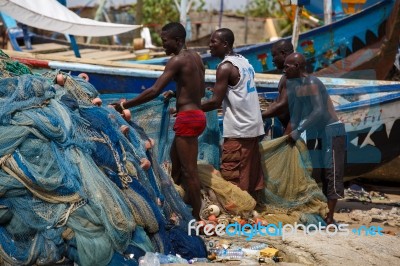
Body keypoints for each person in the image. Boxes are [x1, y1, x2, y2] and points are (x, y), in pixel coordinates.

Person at [112, 22, 206, 220]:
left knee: (190, 172)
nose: (163, 45)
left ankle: (197, 219)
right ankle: (177, 205)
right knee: (176, 167)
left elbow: (153, 91)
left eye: (165, 41)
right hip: (196, 115)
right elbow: (201, 90)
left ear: (178, 41)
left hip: (187, 119)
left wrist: (124, 105)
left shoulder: (176, 61)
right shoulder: (196, 58)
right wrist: (176, 93)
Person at [201, 28, 265, 199]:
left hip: (239, 128)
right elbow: (237, 89)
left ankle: (238, 213)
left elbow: (215, 102)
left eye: (214, 41)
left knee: (233, 174)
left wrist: (190, 108)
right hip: (253, 125)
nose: (210, 45)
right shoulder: (244, 62)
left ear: (225, 44)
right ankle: (249, 209)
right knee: (248, 172)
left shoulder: (225, 67)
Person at [284, 52, 346, 225]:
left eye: (287, 66)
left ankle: (330, 217)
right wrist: (287, 137)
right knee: (318, 171)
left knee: (331, 173)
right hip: (319, 132)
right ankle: (323, 211)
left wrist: (300, 130)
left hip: (332, 131)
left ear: (297, 66)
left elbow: (319, 111)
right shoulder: (296, 87)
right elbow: (295, 116)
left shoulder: (312, 82)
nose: (284, 70)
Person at [261, 39, 294, 134]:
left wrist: (261, 116)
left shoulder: (291, 76)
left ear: (283, 54)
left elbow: (283, 104)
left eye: (274, 55)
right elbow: (279, 101)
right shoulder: (286, 76)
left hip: (294, 131)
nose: (272, 60)